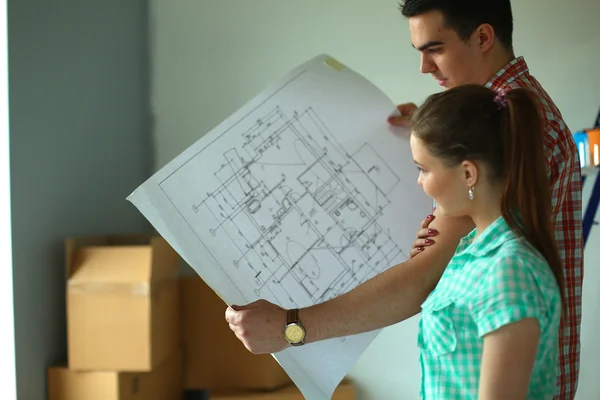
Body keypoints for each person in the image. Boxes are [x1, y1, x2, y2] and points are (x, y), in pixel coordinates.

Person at [225, 1, 583, 398]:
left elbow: (421, 278)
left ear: (483, 37)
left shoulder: (509, 142)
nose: (424, 67)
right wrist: (436, 136)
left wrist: (290, 327)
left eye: (435, 48)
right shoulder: (505, 113)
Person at [415, 84, 562, 399]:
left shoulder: (510, 270)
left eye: (424, 169)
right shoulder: (474, 253)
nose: (420, 182)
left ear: (468, 173)